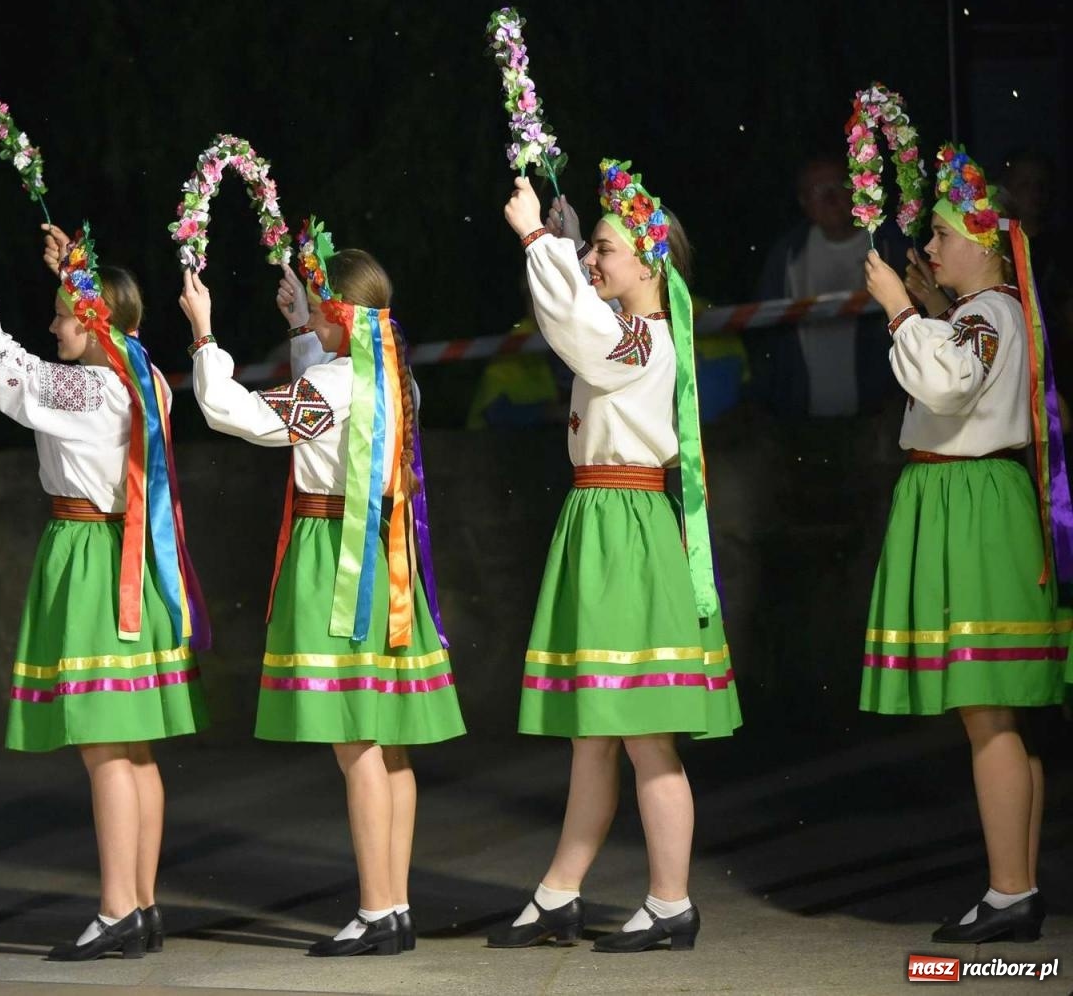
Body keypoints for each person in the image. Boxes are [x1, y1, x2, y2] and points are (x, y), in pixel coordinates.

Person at [0, 209, 209, 961]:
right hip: (132, 558)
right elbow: (72, 349)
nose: (53, 328)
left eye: (63, 317)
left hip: (94, 561)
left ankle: (117, 910)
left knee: (105, 749)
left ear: (92, 323)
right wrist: (71, 276)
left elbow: (1, 366)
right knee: (133, 749)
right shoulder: (145, 376)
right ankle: (141, 905)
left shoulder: (89, 392)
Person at [182, 218, 465, 957]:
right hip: (384, 556)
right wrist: (300, 325)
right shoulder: (394, 377)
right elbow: (335, 393)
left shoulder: (335, 384)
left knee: (356, 742)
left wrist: (204, 336)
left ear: (337, 313)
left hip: (336, 560)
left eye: (316, 303)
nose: (308, 311)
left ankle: (376, 910)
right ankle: (394, 906)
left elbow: (241, 415)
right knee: (388, 744)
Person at [488, 166, 740, 954]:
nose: (593, 260)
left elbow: (583, 336)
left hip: (626, 526)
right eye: (591, 249)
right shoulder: (632, 332)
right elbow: (581, 324)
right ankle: (559, 893)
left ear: (650, 262)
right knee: (594, 731)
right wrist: (565, 247)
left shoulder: (644, 338)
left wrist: (539, 239)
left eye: (605, 249)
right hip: (602, 519)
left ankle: (671, 903)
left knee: (643, 734)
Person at [860, 144, 1069, 943]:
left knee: (988, 711)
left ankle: (1011, 891)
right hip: (971, 500)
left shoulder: (989, 313)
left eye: (943, 235)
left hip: (973, 505)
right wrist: (927, 309)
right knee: (998, 713)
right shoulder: (984, 313)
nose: (931, 246)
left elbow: (947, 383)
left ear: (985, 245)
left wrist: (901, 311)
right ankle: (1016, 888)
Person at [752, 156, 906, 417]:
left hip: (878, 413)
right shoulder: (788, 255)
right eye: (817, 190)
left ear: (855, 189)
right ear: (803, 202)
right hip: (803, 418)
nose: (830, 197)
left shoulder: (889, 245)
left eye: (838, 185)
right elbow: (765, 333)